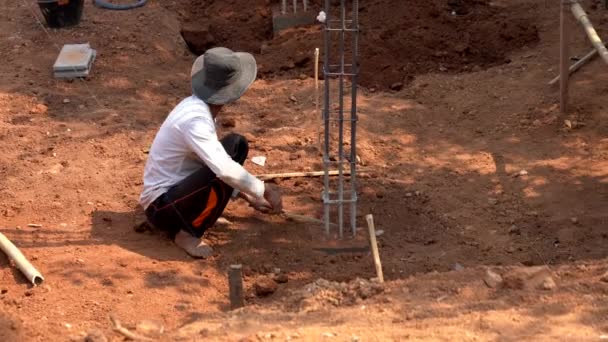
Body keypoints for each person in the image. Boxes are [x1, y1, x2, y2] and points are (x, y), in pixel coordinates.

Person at [140, 47, 283, 258]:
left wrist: (248, 195)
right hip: (163, 208)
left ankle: (197, 215)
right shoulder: (195, 120)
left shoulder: (197, 108)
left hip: (176, 196)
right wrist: (264, 190)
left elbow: (208, 162)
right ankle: (187, 232)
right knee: (224, 165)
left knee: (236, 145)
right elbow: (222, 169)